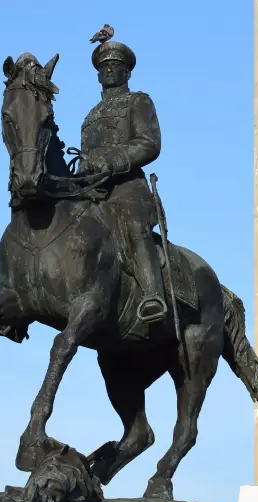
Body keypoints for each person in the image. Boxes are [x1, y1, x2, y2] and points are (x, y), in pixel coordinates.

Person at [76, 30, 167, 324]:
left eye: (115, 66)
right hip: (93, 191)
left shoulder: (138, 102)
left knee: (135, 226)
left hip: (127, 189)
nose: (109, 70)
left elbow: (149, 143)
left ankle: (153, 294)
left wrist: (114, 161)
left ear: (127, 72)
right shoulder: (89, 116)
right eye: (103, 67)